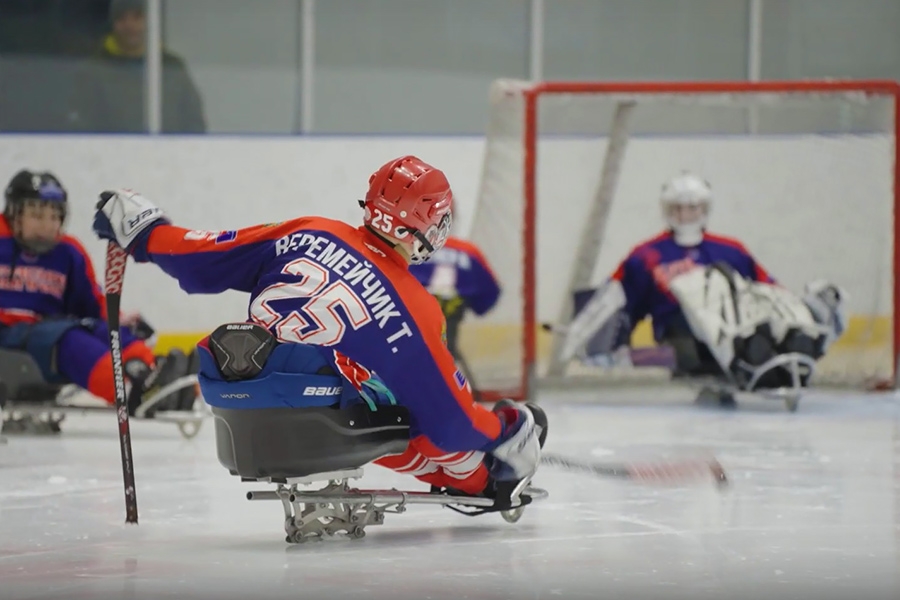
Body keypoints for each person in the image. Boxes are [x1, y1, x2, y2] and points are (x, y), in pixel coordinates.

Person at [91, 155, 547, 505]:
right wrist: (505, 430)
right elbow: (450, 423)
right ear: (430, 224)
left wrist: (145, 231)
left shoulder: (309, 231)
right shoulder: (412, 306)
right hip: (320, 423)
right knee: (417, 416)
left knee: (382, 390)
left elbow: (200, 260)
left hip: (237, 397)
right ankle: (482, 479)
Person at [559, 171, 846, 391]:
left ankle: (779, 353)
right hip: (679, 332)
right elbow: (619, 296)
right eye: (678, 208)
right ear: (667, 210)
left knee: (759, 329)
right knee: (688, 352)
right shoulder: (646, 255)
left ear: (705, 209)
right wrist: (599, 341)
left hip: (733, 323)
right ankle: (749, 360)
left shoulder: (730, 249)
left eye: (693, 208)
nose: (685, 215)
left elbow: (767, 289)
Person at [0, 169, 195, 418]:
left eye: (53, 216)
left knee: (105, 330)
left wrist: (119, 321)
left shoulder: (68, 252)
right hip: (10, 335)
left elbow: (90, 304)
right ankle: (129, 389)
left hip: (49, 330)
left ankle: (154, 376)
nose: (47, 225)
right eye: (36, 215)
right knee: (70, 339)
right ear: (14, 214)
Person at [66, 0, 206, 133]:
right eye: (121, 18)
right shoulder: (93, 71)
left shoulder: (172, 68)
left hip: (168, 156)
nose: (130, 25)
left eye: (137, 17)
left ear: (151, 21)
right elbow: (81, 130)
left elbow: (194, 124)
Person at [408, 235, 500, 399]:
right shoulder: (468, 251)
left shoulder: (409, 246)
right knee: (443, 354)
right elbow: (489, 293)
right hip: (450, 321)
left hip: (411, 319)